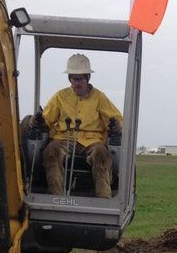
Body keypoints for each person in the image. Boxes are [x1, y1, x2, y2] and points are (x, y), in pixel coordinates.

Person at [36, 53, 123, 198]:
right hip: (64, 139)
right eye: (74, 79)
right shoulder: (60, 96)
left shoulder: (99, 98)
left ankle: (103, 199)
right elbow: (46, 119)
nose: (77, 83)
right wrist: (37, 120)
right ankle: (55, 197)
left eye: (80, 79)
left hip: (92, 141)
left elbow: (117, 120)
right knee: (51, 151)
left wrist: (117, 125)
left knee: (101, 154)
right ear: (69, 79)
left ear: (87, 78)